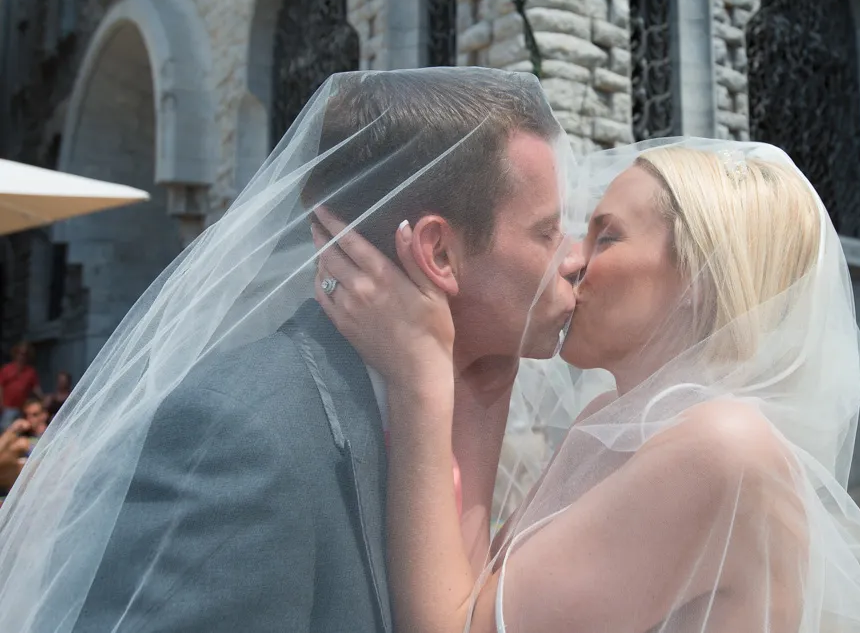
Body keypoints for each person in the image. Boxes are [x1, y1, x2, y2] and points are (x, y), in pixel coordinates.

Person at [0, 68, 581, 633]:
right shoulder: (244, 430)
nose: (574, 256)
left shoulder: (451, 401)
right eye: (545, 232)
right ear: (439, 253)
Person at [316, 138, 860, 632]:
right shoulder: (609, 418)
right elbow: (475, 596)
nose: (572, 260)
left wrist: (420, 380)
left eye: (607, 236)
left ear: (700, 273)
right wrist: (489, 369)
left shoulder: (722, 446)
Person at [0, 342, 41, 431]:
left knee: (20, 432)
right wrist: (1, 404)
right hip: (8, 408)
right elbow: (1, 387)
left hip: (22, 409)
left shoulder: (31, 372)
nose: (22, 356)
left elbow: (36, 389)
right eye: (20, 353)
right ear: (15, 353)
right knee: (6, 431)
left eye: (25, 354)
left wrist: (43, 399)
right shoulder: (6, 369)